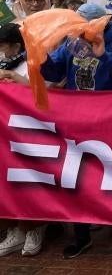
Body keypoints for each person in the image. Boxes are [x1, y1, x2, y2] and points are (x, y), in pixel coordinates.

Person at [41, 3, 112, 259]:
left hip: (110, 123)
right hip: (78, 123)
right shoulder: (71, 43)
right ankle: (81, 237)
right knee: (78, 180)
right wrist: (41, 57)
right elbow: (53, 70)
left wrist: (103, 55)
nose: (79, 29)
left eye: (85, 25)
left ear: (100, 24)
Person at [0, 23, 46, 257]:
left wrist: (13, 78)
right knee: (6, 183)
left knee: (28, 181)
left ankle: (34, 228)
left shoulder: (30, 64)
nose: (1, 51)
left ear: (17, 46)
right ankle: (14, 229)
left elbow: (42, 93)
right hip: (4, 134)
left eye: (3, 47)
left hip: (27, 132)